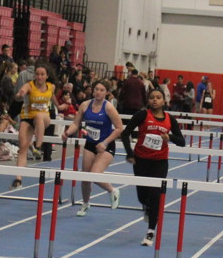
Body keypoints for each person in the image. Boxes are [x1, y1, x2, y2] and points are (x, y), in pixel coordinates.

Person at [121, 88, 186, 246]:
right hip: (141, 160)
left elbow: (182, 142)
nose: (155, 100)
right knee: (142, 196)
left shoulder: (170, 119)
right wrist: (129, 153)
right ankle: (147, 207)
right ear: (148, 101)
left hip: (160, 162)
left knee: (156, 194)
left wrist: (169, 137)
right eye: (151, 97)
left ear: (164, 101)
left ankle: (150, 231)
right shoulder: (142, 115)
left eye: (158, 97)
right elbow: (125, 133)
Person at [64, 81, 124, 216]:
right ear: (92, 90)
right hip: (90, 144)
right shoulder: (85, 105)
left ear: (106, 92)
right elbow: (76, 123)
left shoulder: (109, 108)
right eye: (96, 89)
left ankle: (113, 190)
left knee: (95, 174)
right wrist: (67, 133)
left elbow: (119, 128)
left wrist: (105, 142)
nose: (98, 92)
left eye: (102, 90)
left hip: (106, 145)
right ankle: (85, 204)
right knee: (85, 178)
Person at [11, 64, 55, 188]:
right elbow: (20, 92)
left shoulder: (51, 87)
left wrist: (60, 106)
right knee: (23, 147)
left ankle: (38, 145)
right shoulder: (29, 85)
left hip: (44, 118)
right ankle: (18, 178)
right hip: (28, 117)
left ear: (47, 76)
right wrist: (20, 94)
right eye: (37, 74)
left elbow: (53, 99)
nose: (39, 77)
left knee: (39, 116)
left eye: (42, 74)